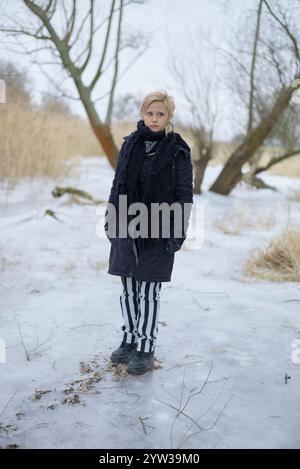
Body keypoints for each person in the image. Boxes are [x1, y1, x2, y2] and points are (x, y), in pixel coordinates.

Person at [104, 90, 193, 375]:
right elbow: (117, 183)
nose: (154, 119)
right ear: (143, 114)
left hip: (160, 226)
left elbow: (184, 194)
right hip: (127, 224)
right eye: (150, 113)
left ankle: (145, 346)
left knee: (149, 291)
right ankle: (129, 340)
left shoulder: (178, 149)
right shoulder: (130, 144)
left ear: (169, 117)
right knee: (128, 289)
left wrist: (178, 232)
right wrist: (110, 217)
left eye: (161, 114)